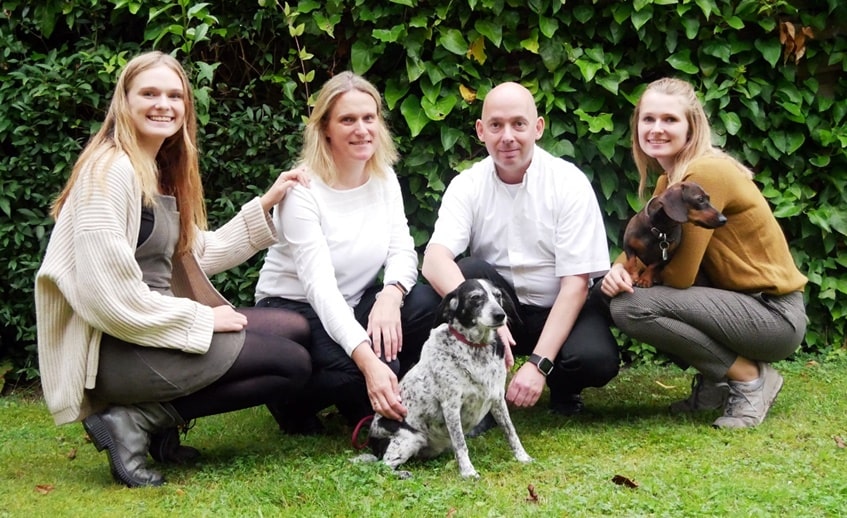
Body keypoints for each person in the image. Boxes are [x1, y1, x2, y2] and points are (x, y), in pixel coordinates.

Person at [34, 51, 313, 488]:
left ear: (186, 106)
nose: (163, 104)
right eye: (149, 93)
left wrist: (266, 205)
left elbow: (198, 253)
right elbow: (110, 300)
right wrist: (203, 319)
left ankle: (156, 427)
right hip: (117, 348)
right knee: (289, 363)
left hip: (151, 331)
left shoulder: (156, 168)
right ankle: (134, 421)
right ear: (123, 102)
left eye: (174, 95)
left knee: (294, 327)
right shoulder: (108, 172)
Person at [600, 77, 807, 429]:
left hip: (773, 314)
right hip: (739, 304)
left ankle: (749, 379)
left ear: (691, 126)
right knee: (623, 293)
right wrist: (621, 268)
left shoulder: (705, 174)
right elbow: (652, 239)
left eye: (670, 120)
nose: (656, 129)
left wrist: (631, 276)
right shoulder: (673, 182)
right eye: (648, 119)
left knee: (631, 306)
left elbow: (680, 276)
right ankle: (717, 382)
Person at [421, 81, 620, 425]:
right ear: (481, 131)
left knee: (595, 359)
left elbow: (576, 285)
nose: (507, 136)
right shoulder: (467, 185)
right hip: (500, 309)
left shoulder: (568, 183)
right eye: (496, 125)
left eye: (519, 124)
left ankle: (561, 383)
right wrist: (490, 320)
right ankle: (478, 393)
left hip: (557, 304)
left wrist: (538, 365)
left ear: (538, 128)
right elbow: (435, 260)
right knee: (468, 270)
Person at [254, 72, 440, 434]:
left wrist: (391, 294)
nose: (362, 129)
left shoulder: (383, 175)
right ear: (325, 129)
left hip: (356, 300)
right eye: (347, 120)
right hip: (296, 309)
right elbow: (320, 290)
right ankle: (290, 401)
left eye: (369, 118)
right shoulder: (302, 191)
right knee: (365, 370)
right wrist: (369, 361)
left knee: (426, 303)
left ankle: (388, 396)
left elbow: (402, 248)